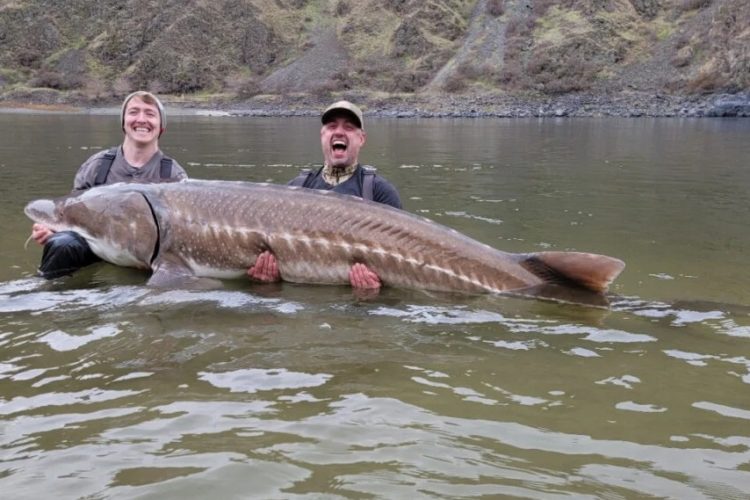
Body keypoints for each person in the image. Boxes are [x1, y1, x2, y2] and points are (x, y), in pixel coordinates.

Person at [31, 90, 188, 279]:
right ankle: (52, 295)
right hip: (98, 246)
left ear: (161, 126)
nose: (141, 119)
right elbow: (73, 211)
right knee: (61, 244)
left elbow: (181, 233)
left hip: (148, 254)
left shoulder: (173, 174)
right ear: (123, 123)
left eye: (150, 114)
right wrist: (52, 228)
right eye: (133, 112)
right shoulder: (97, 165)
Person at [248, 100, 401, 291]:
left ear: (361, 139)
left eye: (349, 127)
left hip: (353, 314)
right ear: (322, 135)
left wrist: (374, 294)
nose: (339, 132)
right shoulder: (296, 188)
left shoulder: (379, 192)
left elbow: (400, 267)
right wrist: (266, 283)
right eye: (331, 126)